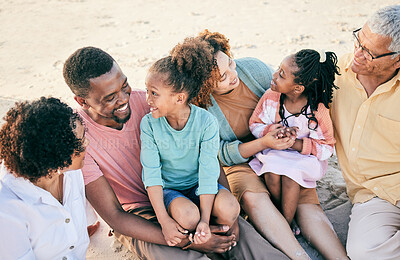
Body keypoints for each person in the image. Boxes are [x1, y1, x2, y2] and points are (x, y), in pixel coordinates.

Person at [63, 46, 289, 259]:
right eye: (110, 97)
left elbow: (206, 157)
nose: (124, 99)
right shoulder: (79, 137)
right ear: (82, 101)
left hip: (189, 190)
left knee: (250, 246)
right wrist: (188, 241)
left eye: (124, 86)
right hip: (140, 216)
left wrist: (232, 219)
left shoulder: (153, 102)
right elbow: (114, 216)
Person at [186, 30, 348, 259]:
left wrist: (286, 141)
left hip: (281, 150)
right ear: (204, 85)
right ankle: (299, 255)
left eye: (230, 63)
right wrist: (262, 142)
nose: (233, 74)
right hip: (239, 162)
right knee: (255, 198)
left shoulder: (252, 69)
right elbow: (219, 154)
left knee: (303, 196)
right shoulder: (200, 106)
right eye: (221, 77)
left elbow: (288, 97)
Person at [141, 38, 240, 247]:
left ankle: (210, 231)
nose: (147, 99)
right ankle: (202, 238)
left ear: (179, 98)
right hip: (172, 192)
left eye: (154, 94)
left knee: (230, 208)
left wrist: (205, 219)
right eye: (147, 91)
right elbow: (151, 174)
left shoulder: (206, 122)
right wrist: (164, 221)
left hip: (200, 186)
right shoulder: (149, 124)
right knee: (188, 217)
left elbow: (208, 170)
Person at [330, 5, 400, 259]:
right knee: (364, 252)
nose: (358, 54)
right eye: (359, 40)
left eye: (370, 52)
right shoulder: (334, 75)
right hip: (372, 195)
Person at [248, 49, 339, 227]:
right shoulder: (271, 97)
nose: (274, 75)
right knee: (272, 174)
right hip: (277, 151)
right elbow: (255, 123)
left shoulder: (317, 111)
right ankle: (281, 212)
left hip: (304, 158)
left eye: (281, 75)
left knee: (290, 177)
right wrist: (273, 131)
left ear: (297, 88)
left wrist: (297, 144)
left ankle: (286, 224)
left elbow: (327, 148)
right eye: (278, 69)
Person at [0, 97, 90, 259]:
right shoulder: (7, 210)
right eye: (81, 141)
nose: (87, 143)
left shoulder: (71, 170)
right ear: (59, 159)